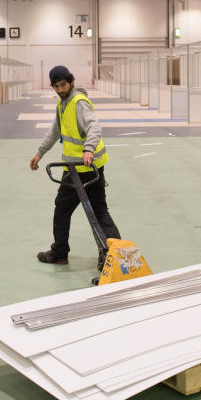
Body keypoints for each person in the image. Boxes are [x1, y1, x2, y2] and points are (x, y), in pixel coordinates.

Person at [29, 65, 121, 268]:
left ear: (71, 81)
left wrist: (88, 149)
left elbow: (94, 127)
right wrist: (39, 152)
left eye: (63, 85)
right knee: (75, 210)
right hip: (74, 168)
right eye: (56, 86)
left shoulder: (78, 102)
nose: (60, 90)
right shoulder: (63, 104)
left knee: (91, 212)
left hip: (86, 167)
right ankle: (65, 253)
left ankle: (108, 254)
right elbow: (55, 132)